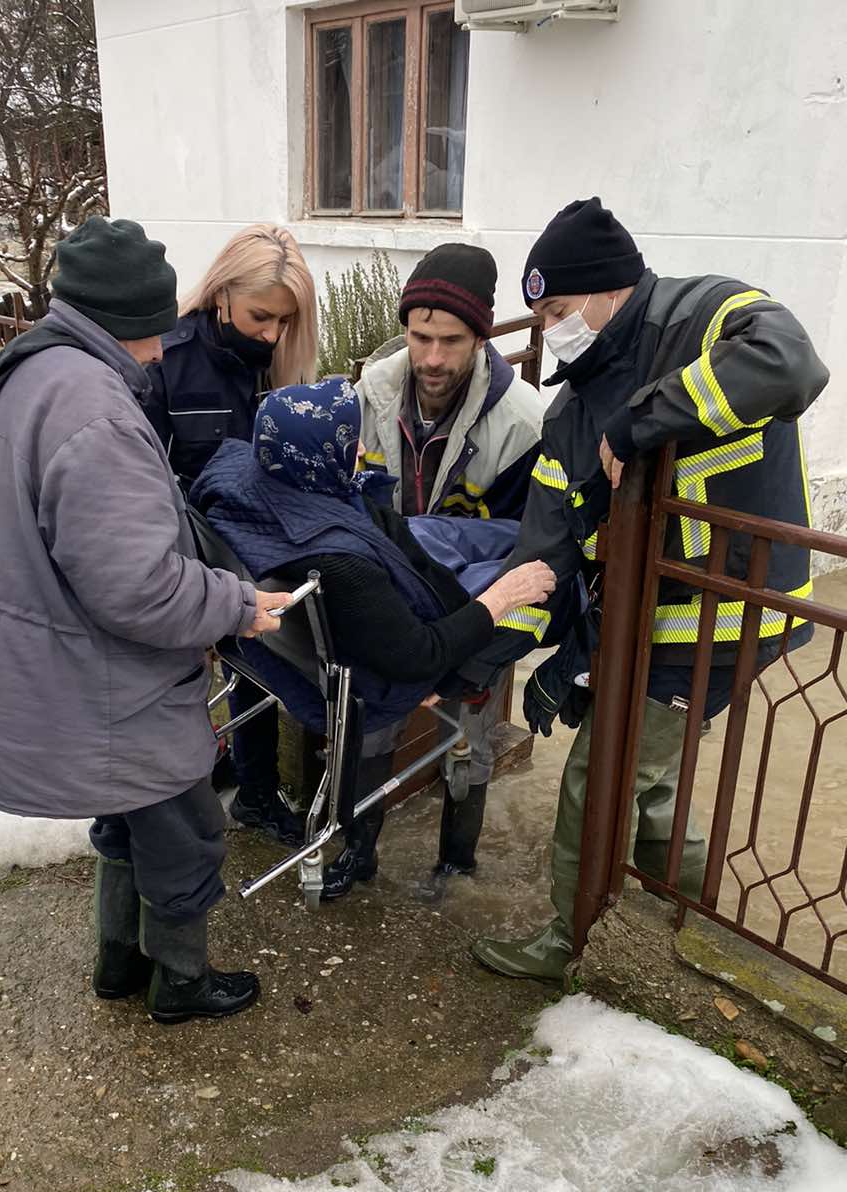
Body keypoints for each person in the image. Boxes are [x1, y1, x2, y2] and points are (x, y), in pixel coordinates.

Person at [456, 197, 828, 982]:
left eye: (558, 307)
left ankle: (574, 940)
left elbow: (793, 363)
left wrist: (640, 421)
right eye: (539, 312)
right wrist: (476, 657)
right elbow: (545, 560)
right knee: (653, 775)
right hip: (642, 625)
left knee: (605, 773)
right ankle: (685, 916)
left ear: (607, 291)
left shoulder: (706, 313)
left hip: (727, 620)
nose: (551, 326)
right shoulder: (569, 410)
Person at [0, 216, 293, 1024]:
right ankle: (178, 982)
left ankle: (117, 965)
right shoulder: (93, 409)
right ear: (125, 322)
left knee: (126, 823)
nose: (160, 350)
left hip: (65, 666)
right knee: (182, 830)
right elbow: (138, 588)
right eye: (151, 332)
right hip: (112, 684)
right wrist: (239, 606)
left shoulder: (34, 372)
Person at [191, 377, 555, 897]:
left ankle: (372, 850)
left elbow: (401, 545)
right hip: (371, 667)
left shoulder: (240, 475)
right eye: (349, 442)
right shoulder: (343, 564)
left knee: (487, 541)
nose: (361, 449)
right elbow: (416, 655)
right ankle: (409, 855)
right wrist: (498, 602)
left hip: (284, 639)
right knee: (524, 581)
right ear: (318, 458)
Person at [355, 243, 547, 898]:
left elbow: (527, 547)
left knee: (469, 737)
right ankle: (357, 855)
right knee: (371, 724)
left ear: (480, 335)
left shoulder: (524, 426)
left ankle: (456, 865)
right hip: (391, 604)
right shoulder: (371, 396)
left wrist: (476, 642)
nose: (432, 358)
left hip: (479, 608)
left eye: (451, 341)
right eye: (419, 337)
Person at [145, 225, 318, 848]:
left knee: (261, 668)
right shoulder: (168, 359)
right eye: (261, 316)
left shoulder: (276, 364)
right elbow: (144, 480)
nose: (272, 333)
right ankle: (213, 783)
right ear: (221, 295)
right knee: (192, 676)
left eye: (284, 321)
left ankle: (253, 786)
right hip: (188, 551)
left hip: (258, 545)